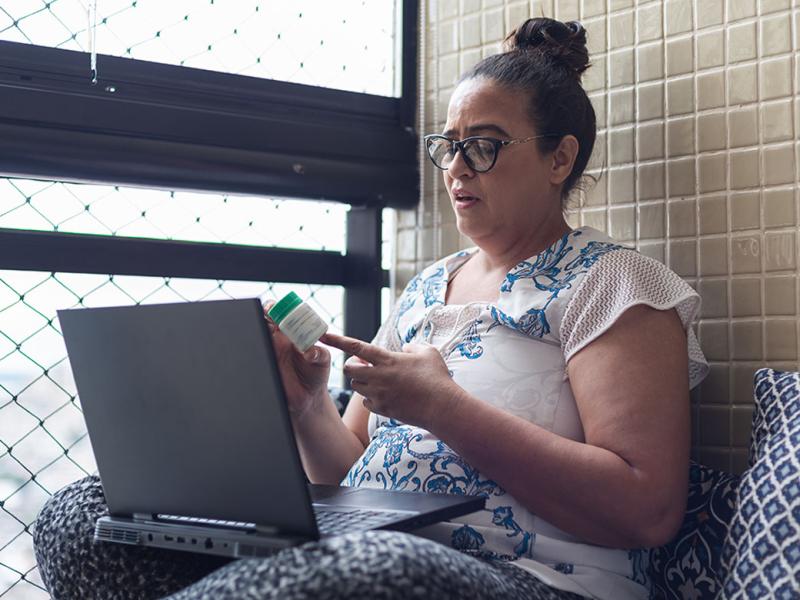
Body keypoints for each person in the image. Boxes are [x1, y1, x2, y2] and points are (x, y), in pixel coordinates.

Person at [33, 17, 708, 600]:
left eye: (485, 144)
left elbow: (646, 510)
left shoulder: (613, 283)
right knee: (80, 514)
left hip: (530, 578)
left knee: (367, 565)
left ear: (560, 158)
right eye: (449, 145)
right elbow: (351, 475)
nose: (457, 168)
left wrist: (444, 407)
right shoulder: (424, 290)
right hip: (379, 551)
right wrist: (304, 408)